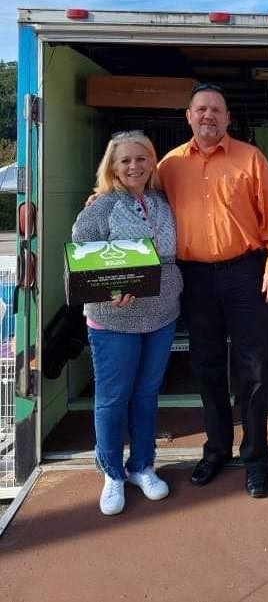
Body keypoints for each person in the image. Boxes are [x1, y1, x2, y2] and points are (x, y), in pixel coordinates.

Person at [158, 83, 268, 498]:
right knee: (207, 367)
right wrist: (98, 199)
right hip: (194, 278)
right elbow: (132, 192)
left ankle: (255, 460)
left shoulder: (250, 159)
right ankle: (216, 449)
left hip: (245, 273)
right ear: (189, 117)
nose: (208, 116)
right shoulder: (169, 165)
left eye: (216, 109)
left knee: (252, 370)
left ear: (228, 118)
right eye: (201, 110)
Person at [72, 132, 183, 515]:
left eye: (142, 158)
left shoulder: (162, 202)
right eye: (125, 161)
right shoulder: (100, 207)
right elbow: (81, 258)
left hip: (161, 314)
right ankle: (112, 473)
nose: (134, 166)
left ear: (153, 162)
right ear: (112, 167)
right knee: (112, 399)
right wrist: (109, 290)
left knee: (147, 394)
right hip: (113, 319)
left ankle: (142, 466)